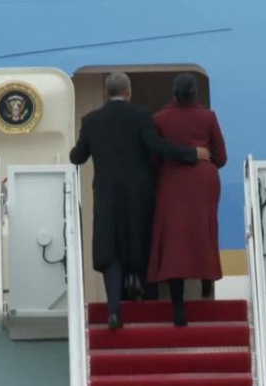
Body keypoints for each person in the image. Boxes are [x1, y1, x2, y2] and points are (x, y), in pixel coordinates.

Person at [69, 72, 211, 329]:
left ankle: (114, 311)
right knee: (140, 246)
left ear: (105, 92)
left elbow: (77, 157)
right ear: (128, 91)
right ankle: (148, 309)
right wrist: (192, 153)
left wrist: (72, 149)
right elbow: (156, 145)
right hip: (138, 195)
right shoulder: (141, 115)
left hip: (106, 196)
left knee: (109, 252)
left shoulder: (91, 120)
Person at [147, 73, 227, 327]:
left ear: (174, 93)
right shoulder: (208, 117)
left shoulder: (159, 119)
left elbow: (154, 158)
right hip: (204, 181)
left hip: (172, 181)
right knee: (204, 230)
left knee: (174, 241)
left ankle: (178, 308)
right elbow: (222, 157)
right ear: (195, 93)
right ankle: (206, 283)